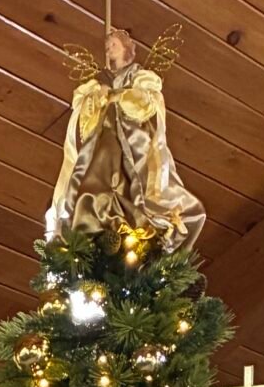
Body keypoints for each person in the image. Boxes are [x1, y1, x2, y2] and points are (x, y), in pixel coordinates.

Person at [47, 28, 205, 248]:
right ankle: (96, 211)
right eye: (107, 47)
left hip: (133, 135)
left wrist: (115, 95)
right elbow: (87, 114)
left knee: (138, 173)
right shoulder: (100, 79)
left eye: (113, 45)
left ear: (126, 48)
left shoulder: (137, 74)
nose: (109, 50)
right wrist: (98, 97)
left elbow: (145, 102)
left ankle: (134, 216)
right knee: (99, 166)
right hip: (105, 134)